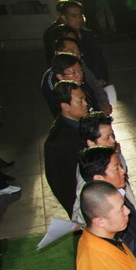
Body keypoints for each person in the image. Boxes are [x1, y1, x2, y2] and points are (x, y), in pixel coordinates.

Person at [44, 80, 89, 216]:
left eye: (85, 98)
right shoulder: (61, 140)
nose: (85, 103)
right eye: (80, 100)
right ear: (65, 106)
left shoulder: (80, 122)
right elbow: (59, 182)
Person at [41, 53, 101, 117]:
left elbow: (91, 94)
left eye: (80, 70)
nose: (79, 75)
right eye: (73, 73)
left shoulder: (78, 79)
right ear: (60, 77)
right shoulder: (55, 92)